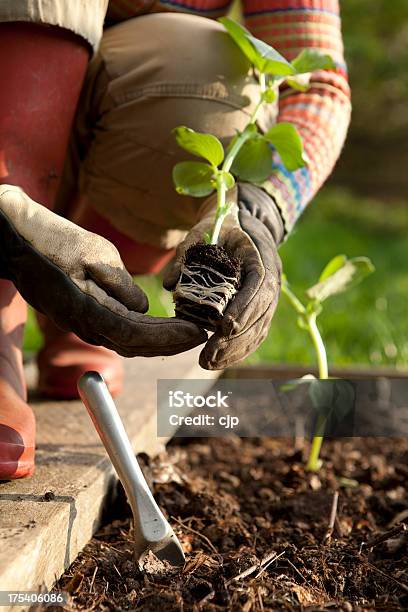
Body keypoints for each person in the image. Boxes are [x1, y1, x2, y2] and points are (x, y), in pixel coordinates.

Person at [0, 0, 351, 479]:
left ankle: (89, 294)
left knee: (210, 76)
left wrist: (260, 207)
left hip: (111, 110)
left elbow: (319, 89)